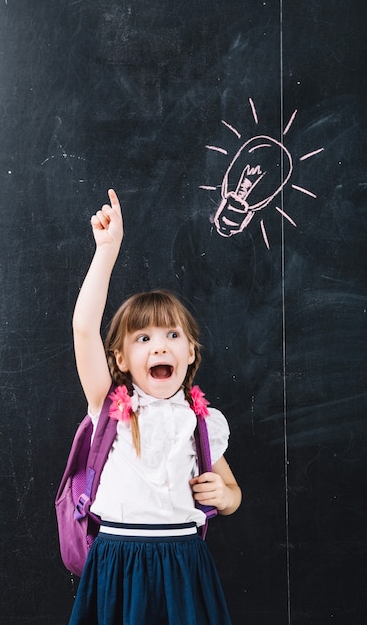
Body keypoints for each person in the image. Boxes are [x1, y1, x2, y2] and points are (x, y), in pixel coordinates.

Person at [69, 189, 242, 625]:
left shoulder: (203, 422)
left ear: (189, 353)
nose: (159, 345)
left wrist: (223, 496)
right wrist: (106, 253)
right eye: (143, 338)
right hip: (117, 561)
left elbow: (232, 493)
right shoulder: (109, 407)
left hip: (184, 562)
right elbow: (84, 328)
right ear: (122, 359)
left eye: (171, 336)